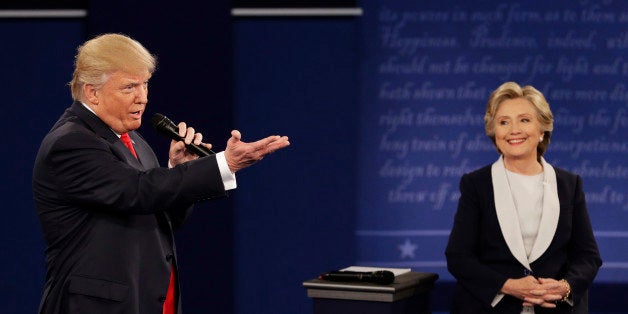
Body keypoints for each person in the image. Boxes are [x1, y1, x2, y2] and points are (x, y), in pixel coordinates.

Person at [32, 33, 290, 314]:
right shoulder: (71, 142)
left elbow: (160, 216)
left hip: (148, 299)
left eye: (145, 84)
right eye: (129, 87)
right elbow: (138, 191)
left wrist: (178, 169)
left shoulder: (132, 140)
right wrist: (224, 163)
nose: (142, 97)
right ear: (92, 91)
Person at [445, 82, 602, 314]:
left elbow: (587, 256)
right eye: (504, 122)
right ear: (494, 132)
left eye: (524, 120)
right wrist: (508, 286)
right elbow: (458, 256)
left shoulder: (569, 185)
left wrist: (564, 287)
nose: (513, 130)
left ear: (542, 130)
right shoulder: (476, 184)